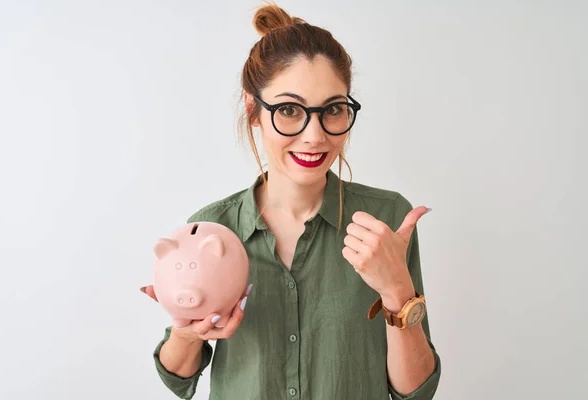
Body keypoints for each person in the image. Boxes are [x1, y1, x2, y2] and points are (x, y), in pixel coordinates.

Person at [141, 3, 441, 399]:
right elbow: (177, 377)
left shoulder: (386, 219)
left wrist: (398, 293)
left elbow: (415, 392)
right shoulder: (211, 228)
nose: (314, 136)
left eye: (333, 109)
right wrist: (186, 330)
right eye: (288, 110)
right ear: (253, 110)